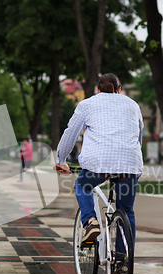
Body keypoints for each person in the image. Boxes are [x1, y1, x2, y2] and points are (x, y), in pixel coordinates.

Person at [55, 73, 143, 246]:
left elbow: (70, 134)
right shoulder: (133, 105)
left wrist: (61, 159)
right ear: (119, 89)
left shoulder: (87, 104)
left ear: (97, 89)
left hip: (98, 165)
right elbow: (138, 136)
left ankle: (90, 222)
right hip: (130, 164)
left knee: (82, 185)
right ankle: (122, 263)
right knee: (127, 211)